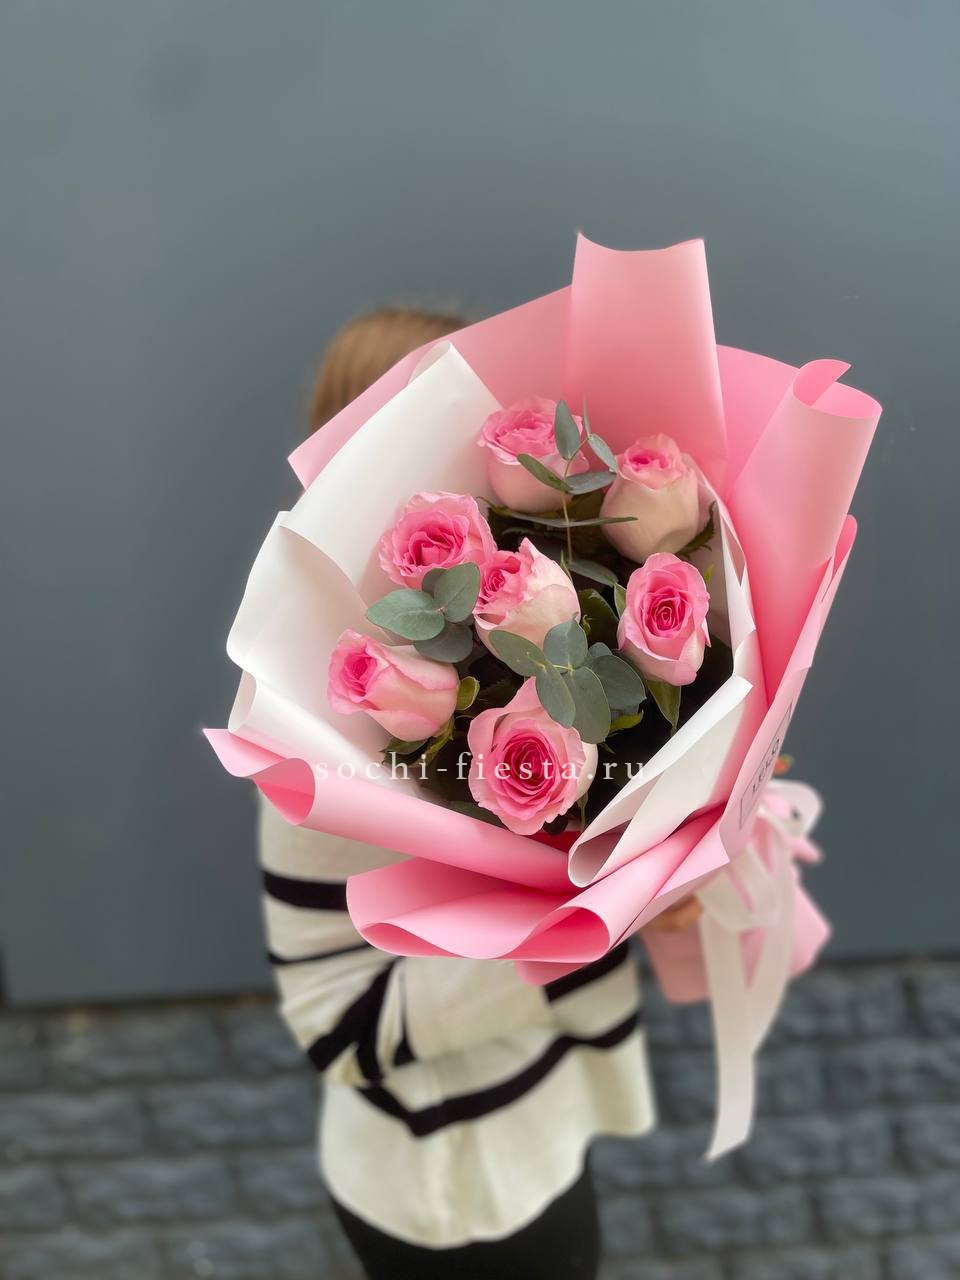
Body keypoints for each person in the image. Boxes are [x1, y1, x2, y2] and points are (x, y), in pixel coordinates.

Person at [259, 306, 700, 1280]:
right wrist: (580, 922)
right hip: (445, 1183)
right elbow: (337, 1021)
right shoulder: (320, 724)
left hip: (541, 1127)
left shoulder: (521, 643)